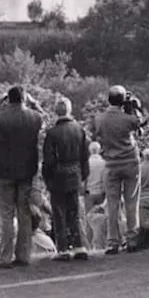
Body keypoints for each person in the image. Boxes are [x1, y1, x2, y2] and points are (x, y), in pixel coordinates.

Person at [0, 86, 43, 268]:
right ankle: (23, 255)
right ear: (24, 99)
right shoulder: (35, 117)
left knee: (6, 214)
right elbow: (46, 118)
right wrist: (35, 104)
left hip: (4, 170)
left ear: (8, 100)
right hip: (27, 170)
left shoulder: (2, 116)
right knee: (24, 213)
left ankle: (5, 256)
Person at [93, 86, 145, 254]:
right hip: (130, 162)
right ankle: (132, 239)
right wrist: (135, 108)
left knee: (113, 204)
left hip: (111, 163)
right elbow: (141, 123)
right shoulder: (127, 119)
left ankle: (113, 241)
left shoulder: (99, 119)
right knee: (131, 202)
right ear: (123, 100)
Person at [42, 97, 90, 261]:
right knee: (74, 211)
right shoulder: (79, 130)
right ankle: (79, 246)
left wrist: (46, 177)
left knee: (59, 212)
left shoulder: (52, 133)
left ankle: (63, 248)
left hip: (57, 174)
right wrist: (83, 175)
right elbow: (85, 156)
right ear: (70, 110)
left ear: (56, 111)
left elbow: (48, 159)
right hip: (75, 172)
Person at [85, 141, 107, 213]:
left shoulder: (86, 163)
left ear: (89, 150)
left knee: (89, 217)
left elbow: (84, 179)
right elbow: (105, 179)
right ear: (99, 150)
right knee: (101, 217)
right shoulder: (103, 163)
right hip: (100, 193)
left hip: (89, 193)